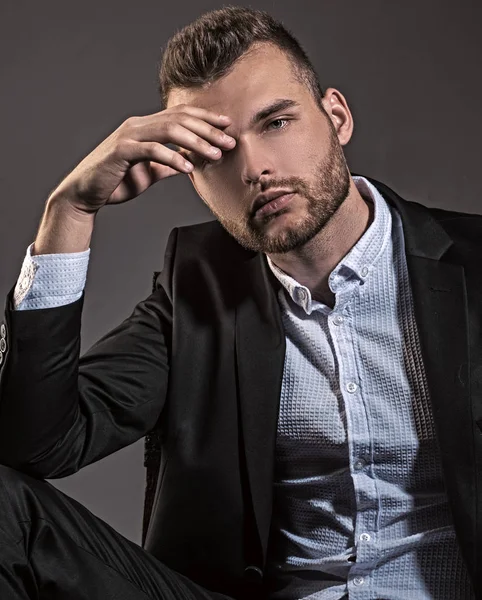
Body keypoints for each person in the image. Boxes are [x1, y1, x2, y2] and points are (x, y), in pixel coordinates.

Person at [0, 5, 480, 600]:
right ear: (189, 175)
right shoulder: (199, 289)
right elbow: (36, 445)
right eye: (216, 150)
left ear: (337, 116)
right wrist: (69, 211)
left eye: (276, 123)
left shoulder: (473, 266)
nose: (255, 168)